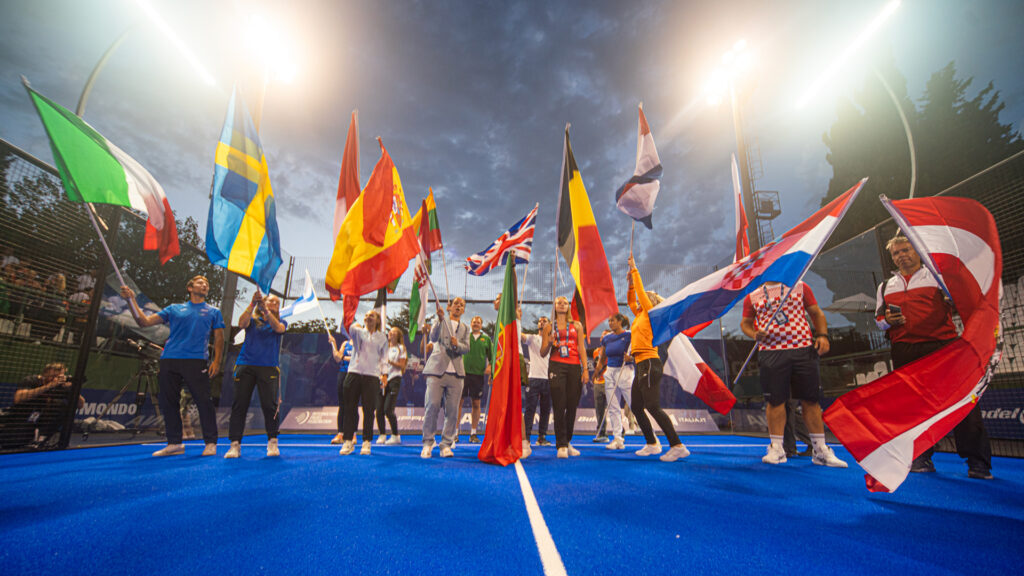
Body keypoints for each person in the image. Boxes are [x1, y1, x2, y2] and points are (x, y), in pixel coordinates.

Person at [876, 235, 993, 479]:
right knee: (915, 408)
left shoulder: (939, 277)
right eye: (896, 253)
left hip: (943, 347)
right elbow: (879, 321)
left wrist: (954, 297)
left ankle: (977, 461)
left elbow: (964, 302)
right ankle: (921, 456)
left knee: (962, 402)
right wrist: (888, 321)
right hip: (905, 351)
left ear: (917, 251)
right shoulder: (885, 286)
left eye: (906, 250)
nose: (901, 255)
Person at [740, 280, 847, 467]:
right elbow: (745, 323)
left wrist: (822, 335)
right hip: (771, 352)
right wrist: (754, 334)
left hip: (803, 349)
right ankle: (777, 449)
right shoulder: (752, 295)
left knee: (811, 400)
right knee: (775, 401)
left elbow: (816, 313)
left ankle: (820, 449)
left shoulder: (801, 286)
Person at [120, 276, 224, 457]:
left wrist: (216, 361)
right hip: (169, 359)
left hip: (196, 361)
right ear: (190, 288)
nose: (205, 284)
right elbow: (143, 322)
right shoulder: (174, 309)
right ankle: (174, 443)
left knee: (204, 402)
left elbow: (220, 337)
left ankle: (210, 442)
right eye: (200, 282)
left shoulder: (213, 311)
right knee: (169, 402)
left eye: (207, 283)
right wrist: (131, 300)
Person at [626, 256, 690, 462]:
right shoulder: (639, 316)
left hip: (650, 363)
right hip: (640, 364)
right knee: (636, 406)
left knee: (652, 406)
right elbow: (630, 300)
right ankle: (652, 444)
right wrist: (629, 284)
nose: (643, 297)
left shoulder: (652, 313)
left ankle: (677, 445)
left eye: (647, 296)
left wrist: (634, 270)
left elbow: (641, 295)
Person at [225, 291, 286, 459]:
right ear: (264, 302)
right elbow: (241, 323)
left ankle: (272, 440)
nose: (274, 304)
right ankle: (235, 444)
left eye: (277, 303)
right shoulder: (252, 320)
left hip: (268, 368)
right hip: (246, 366)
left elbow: (278, 329)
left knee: (270, 406)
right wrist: (252, 304)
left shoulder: (281, 321)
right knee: (239, 405)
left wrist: (266, 311)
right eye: (271, 301)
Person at [329, 310, 387, 456]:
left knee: (369, 411)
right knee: (349, 409)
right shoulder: (356, 332)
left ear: (377, 320)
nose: (367, 317)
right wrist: (348, 305)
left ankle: (366, 442)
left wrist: (384, 375)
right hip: (353, 374)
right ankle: (348, 441)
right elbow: (346, 326)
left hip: (372, 376)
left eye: (371, 316)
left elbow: (384, 358)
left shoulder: (382, 337)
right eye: (366, 315)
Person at [420, 297, 470, 458]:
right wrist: (439, 319)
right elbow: (433, 337)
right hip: (436, 371)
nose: (458, 306)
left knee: (452, 411)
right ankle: (428, 442)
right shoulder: (441, 322)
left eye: (461, 305)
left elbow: (466, 348)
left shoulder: (465, 328)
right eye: (456, 304)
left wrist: (457, 345)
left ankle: (446, 444)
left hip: (456, 374)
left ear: (463, 311)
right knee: (432, 406)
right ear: (449, 307)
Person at [540, 295, 589, 459]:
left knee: (572, 405)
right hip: (556, 365)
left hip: (574, 366)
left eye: (565, 303)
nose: (562, 304)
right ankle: (560, 444)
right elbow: (542, 352)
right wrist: (549, 342)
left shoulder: (577, 325)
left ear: (568, 306)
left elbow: (582, 348)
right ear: (554, 306)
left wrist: (585, 370)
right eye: (558, 302)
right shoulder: (548, 327)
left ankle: (567, 441)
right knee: (559, 405)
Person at [0, 362, 83, 448]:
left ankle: (41, 438)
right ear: (45, 373)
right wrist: (49, 386)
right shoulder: (31, 380)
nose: (55, 379)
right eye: (53, 376)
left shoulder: (61, 386)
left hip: (43, 419)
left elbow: (80, 405)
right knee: (11, 443)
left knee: (61, 405)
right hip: (23, 418)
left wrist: (73, 389)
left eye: (59, 376)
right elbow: (18, 398)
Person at [595, 314, 634, 450]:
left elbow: (638, 350)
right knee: (613, 406)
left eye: (612, 320)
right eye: (609, 320)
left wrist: (632, 358)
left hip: (625, 370)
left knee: (633, 404)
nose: (610, 323)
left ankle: (650, 438)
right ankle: (617, 438)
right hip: (610, 372)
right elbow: (602, 357)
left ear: (620, 322)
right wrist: (597, 370)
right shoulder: (606, 338)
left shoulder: (630, 335)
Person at [521, 316, 553, 447]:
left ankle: (542, 437)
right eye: (540, 321)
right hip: (533, 378)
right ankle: (526, 438)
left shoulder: (553, 340)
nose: (542, 322)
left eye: (545, 321)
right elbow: (520, 335)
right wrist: (516, 320)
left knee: (546, 410)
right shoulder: (532, 338)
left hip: (548, 378)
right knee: (530, 409)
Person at [460, 315, 491, 443]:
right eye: (474, 322)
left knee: (476, 404)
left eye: (478, 322)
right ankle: (454, 433)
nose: (476, 324)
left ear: (481, 325)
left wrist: (490, 367)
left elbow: (492, 357)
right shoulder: (465, 337)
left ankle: (473, 433)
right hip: (462, 374)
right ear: (471, 324)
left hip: (478, 376)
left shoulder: (486, 339)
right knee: (458, 403)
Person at [376, 326, 407, 445]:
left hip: (394, 379)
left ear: (398, 336)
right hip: (382, 379)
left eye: (394, 332)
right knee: (379, 409)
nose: (391, 334)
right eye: (390, 332)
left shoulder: (401, 348)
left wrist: (389, 362)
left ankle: (395, 435)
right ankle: (382, 434)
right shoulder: (383, 348)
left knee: (388, 409)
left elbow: (401, 365)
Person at [329, 337, 353, 445]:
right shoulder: (345, 343)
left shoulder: (360, 343)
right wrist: (333, 344)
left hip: (354, 373)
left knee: (352, 404)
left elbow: (358, 358)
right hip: (343, 373)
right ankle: (340, 433)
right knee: (342, 404)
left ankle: (353, 433)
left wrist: (343, 357)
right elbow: (337, 358)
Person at [590, 344, 609, 443]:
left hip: (609, 382)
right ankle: (602, 433)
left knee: (614, 409)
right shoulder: (595, 351)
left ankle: (620, 431)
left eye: (605, 334)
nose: (603, 336)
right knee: (599, 410)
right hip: (598, 383)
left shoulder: (612, 349)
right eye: (602, 335)